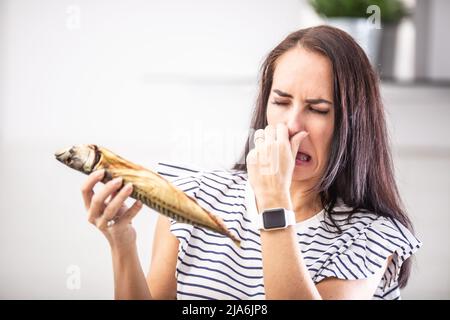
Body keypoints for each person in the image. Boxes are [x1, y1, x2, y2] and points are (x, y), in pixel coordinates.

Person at [80, 25, 422, 300]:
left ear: (353, 124)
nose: (291, 125)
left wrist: (274, 202)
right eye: (281, 101)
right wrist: (122, 243)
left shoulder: (373, 236)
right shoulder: (195, 197)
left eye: (317, 109)